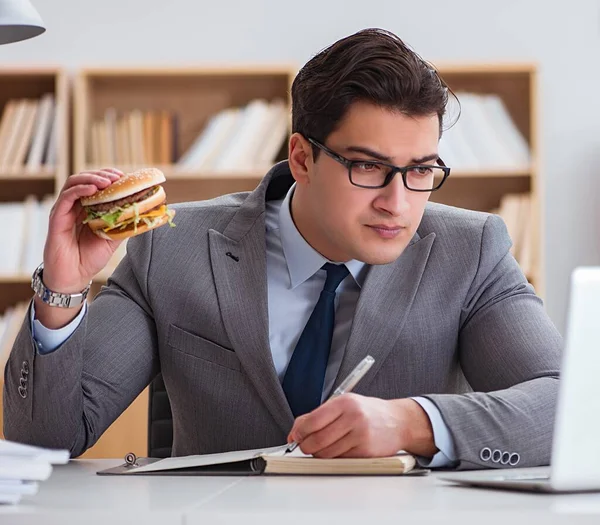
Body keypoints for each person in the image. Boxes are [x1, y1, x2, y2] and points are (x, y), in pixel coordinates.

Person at [3, 28, 562, 470]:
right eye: (368, 167)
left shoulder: (471, 252)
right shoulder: (171, 250)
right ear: (301, 158)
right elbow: (46, 440)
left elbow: (568, 409)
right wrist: (63, 290)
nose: (398, 203)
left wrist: (414, 423)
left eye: (420, 170)